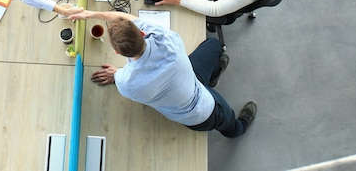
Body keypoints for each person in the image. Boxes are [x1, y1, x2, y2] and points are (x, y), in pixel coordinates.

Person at [68, 9, 257, 138]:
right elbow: (125, 17)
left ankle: (212, 79)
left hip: (193, 96)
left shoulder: (127, 83)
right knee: (215, 48)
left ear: (117, 53)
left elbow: (121, 76)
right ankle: (237, 128)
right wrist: (89, 13)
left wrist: (116, 74)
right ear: (142, 33)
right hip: (200, 106)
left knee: (212, 48)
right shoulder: (169, 41)